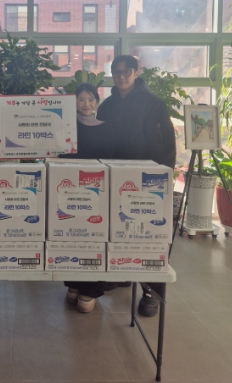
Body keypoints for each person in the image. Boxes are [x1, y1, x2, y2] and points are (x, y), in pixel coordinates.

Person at [97, 55, 176, 317]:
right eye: (116, 72)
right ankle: (121, 273)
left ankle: (152, 291)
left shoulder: (153, 104)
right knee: (119, 228)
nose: (121, 76)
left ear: (136, 72)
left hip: (146, 180)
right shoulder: (107, 106)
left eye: (126, 71)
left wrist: (161, 180)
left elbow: (167, 144)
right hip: (115, 180)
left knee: (150, 235)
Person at [59, 83, 116, 313]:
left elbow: (109, 159)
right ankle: (74, 283)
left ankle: (91, 289)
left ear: (97, 102)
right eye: (81, 99)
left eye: (91, 99)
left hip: (96, 190)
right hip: (70, 189)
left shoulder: (106, 128)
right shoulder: (65, 126)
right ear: (74, 101)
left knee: (93, 238)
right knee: (72, 235)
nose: (86, 104)